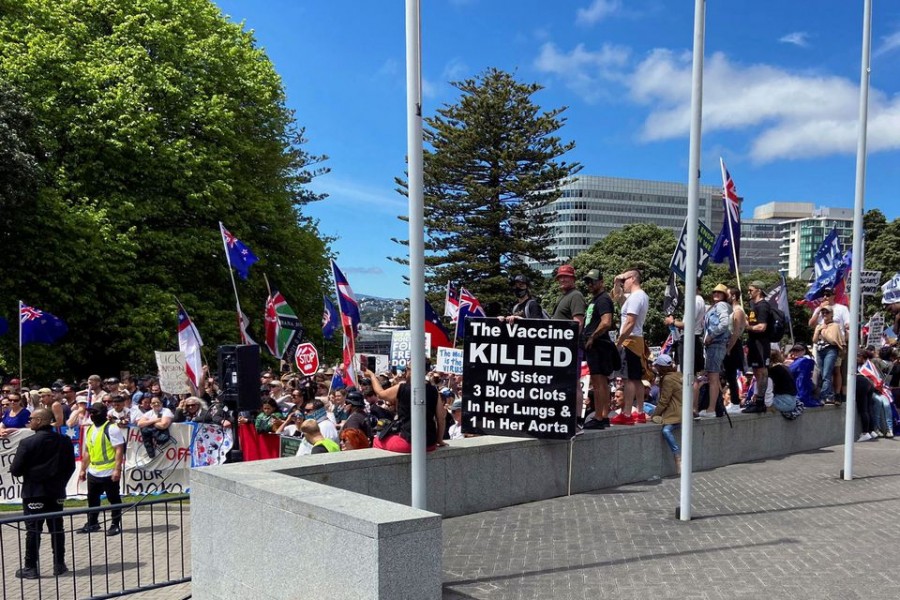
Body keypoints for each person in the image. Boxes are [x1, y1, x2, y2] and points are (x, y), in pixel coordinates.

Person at [10, 408, 76, 579]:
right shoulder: (64, 440)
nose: (29, 421)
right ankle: (59, 565)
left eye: (31, 419)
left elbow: (15, 470)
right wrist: (60, 482)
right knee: (56, 528)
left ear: (39, 421)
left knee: (33, 530)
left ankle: (30, 567)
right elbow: (71, 467)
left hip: (34, 493)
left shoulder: (28, 443)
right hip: (56, 492)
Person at [366, 366, 445, 453]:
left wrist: (372, 376)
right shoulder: (434, 390)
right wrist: (439, 440)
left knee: (377, 441)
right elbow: (441, 418)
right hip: (430, 444)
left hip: (409, 443)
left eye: (407, 368)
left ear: (412, 370)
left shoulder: (402, 388)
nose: (405, 372)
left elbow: (380, 394)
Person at [79, 402, 125, 536]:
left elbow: (119, 449)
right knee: (92, 499)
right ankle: (93, 522)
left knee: (113, 499)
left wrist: (117, 469)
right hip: (94, 471)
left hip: (109, 470)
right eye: (91, 413)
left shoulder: (111, 428)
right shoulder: (90, 429)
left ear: (104, 414)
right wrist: (83, 469)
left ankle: (115, 524)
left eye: (95, 413)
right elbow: (87, 451)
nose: (92, 415)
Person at [612, 268, 651, 425]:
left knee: (628, 378)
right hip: (637, 338)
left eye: (625, 280)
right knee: (636, 378)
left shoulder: (636, 297)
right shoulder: (637, 296)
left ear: (633, 279)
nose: (623, 283)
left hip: (630, 339)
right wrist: (617, 282)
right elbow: (617, 297)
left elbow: (630, 321)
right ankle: (639, 412)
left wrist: (620, 341)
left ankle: (627, 413)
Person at [581, 268, 619, 429]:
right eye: (588, 282)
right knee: (599, 381)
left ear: (601, 282)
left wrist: (592, 337)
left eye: (593, 281)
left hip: (599, 344)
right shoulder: (595, 300)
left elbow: (606, 322)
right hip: (595, 344)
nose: (590, 284)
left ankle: (601, 416)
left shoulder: (603, 299)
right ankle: (602, 415)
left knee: (599, 382)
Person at [699, 284, 731, 418]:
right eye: (715, 292)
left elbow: (724, 323)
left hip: (716, 343)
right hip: (714, 344)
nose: (716, 294)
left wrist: (712, 335)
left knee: (713, 377)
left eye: (720, 292)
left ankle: (711, 409)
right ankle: (715, 406)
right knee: (713, 377)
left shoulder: (721, 306)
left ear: (724, 295)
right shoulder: (714, 307)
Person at [650, 355, 683, 474]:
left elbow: (664, 400)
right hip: (682, 410)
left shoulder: (668, 379)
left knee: (666, 431)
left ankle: (677, 456)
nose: (656, 368)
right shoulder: (679, 375)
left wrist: (654, 415)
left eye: (657, 366)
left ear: (661, 367)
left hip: (675, 413)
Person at [742, 281, 770, 413]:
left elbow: (762, 326)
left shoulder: (763, 306)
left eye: (750, 290)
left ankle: (760, 402)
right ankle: (757, 400)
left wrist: (748, 327)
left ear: (758, 290)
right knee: (755, 371)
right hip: (753, 342)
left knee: (761, 371)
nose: (748, 292)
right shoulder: (754, 306)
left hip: (761, 343)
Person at [812, 306, 845, 405]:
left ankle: (822, 397)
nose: (824, 314)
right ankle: (830, 395)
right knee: (823, 374)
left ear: (831, 314)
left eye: (827, 312)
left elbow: (833, 340)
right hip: (820, 351)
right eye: (823, 313)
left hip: (831, 350)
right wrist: (818, 330)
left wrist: (823, 331)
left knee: (827, 374)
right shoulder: (819, 326)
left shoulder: (835, 326)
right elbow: (814, 340)